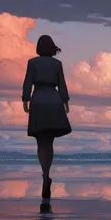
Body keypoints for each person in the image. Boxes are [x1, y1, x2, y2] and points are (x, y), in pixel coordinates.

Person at [22, 34, 72, 199]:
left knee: (41, 143)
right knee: (49, 143)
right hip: (53, 101)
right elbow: (62, 83)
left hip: (39, 101)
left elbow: (28, 82)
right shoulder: (57, 64)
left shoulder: (32, 63)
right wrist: (65, 101)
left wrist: (25, 100)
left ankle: (45, 175)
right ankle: (46, 174)